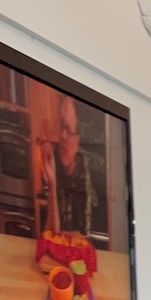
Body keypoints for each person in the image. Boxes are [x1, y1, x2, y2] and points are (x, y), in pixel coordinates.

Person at [42, 95, 94, 236]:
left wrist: (61, 235)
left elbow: (83, 236)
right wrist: (52, 182)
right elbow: (49, 232)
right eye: (61, 126)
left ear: (78, 141)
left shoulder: (85, 166)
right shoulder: (52, 157)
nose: (63, 136)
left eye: (68, 130)